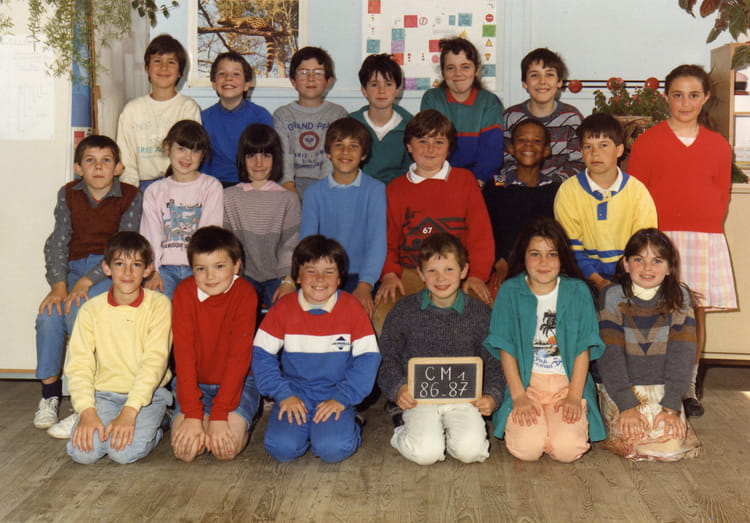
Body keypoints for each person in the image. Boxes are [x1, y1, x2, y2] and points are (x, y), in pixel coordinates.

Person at [628, 64, 736, 418]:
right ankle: (653, 381)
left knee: (693, 313)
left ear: (705, 98)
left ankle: (687, 385)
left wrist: (705, 226)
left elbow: (720, 195)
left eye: (693, 95)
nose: (685, 103)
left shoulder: (718, 145)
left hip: (702, 238)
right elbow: (636, 194)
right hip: (660, 239)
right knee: (656, 311)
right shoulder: (648, 141)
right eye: (677, 95)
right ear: (666, 98)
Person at [34, 135, 142, 435]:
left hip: (109, 271)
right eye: (90, 161)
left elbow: (123, 246)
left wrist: (85, 281)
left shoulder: (131, 195)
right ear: (78, 168)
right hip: (70, 269)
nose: (98, 167)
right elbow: (57, 242)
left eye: (106, 161)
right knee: (49, 316)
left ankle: (86, 402)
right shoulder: (69, 193)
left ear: (118, 167)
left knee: (80, 314)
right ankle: (50, 395)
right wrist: (59, 284)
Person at [484, 217, 606, 462]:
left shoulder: (577, 291)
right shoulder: (510, 291)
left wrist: (574, 396)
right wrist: (519, 396)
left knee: (567, 450)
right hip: (528, 385)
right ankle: (542, 430)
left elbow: (583, 347)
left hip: (567, 385)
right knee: (528, 450)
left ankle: (554, 430)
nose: (543, 263)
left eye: (552, 254)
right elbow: (506, 348)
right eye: (535, 254)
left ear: (562, 257)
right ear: (523, 256)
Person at [378, 233, 504, 465]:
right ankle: (402, 429)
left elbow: (495, 362)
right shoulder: (404, 311)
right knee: (426, 453)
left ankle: (445, 434)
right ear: (420, 274)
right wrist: (398, 388)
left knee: (471, 452)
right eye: (432, 271)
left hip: (465, 399)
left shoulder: (480, 314)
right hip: (418, 397)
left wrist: (492, 396)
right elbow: (387, 357)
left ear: (464, 270)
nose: (440, 278)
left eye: (449, 269)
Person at [252, 235, 381, 463]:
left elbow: (368, 359)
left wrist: (342, 398)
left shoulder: (352, 308)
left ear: (339, 278)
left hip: (336, 392)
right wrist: (284, 394)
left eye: (329, 272)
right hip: (295, 393)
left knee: (333, 449)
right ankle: (308, 427)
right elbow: (262, 356)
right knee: (282, 449)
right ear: (297, 276)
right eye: (311, 271)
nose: (320, 279)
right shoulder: (283, 308)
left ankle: (350, 421)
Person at [372, 109, 495, 335]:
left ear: (449, 147)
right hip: (410, 272)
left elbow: (481, 236)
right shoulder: (396, 188)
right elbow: (387, 239)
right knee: (382, 317)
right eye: (422, 141)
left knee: (482, 317)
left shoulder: (465, 181)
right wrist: (389, 273)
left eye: (439, 142)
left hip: (457, 273)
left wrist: (477, 275)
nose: (430, 149)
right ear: (409, 146)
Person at [65, 232, 172, 464]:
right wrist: (86, 411)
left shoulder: (159, 305)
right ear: (106, 268)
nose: (127, 272)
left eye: (136, 265)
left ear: (148, 269)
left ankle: (160, 423)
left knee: (122, 453)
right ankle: (110, 420)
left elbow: (155, 362)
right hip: (104, 394)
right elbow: (79, 364)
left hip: (147, 395)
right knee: (83, 453)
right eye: (120, 264)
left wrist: (130, 411)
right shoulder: (91, 310)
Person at [598, 228, 702, 461]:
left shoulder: (680, 297)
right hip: (622, 387)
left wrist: (671, 406)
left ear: (669, 267)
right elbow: (610, 355)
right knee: (635, 440)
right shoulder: (612, 296)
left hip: (664, 387)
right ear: (626, 264)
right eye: (638, 259)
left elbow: (682, 355)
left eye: (657, 260)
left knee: (670, 447)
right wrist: (626, 405)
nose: (647, 268)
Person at [171, 227, 260, 462]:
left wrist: (220, 415)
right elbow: (184, 355)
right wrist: (192, 414)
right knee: (188, 451)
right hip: (194, 383)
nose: (210, 276)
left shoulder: (245, 293)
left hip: (237, 383)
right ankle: (202, 419)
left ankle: (232, 419)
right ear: (192, 269)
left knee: (225, 450)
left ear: (236, 266)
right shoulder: (184, 292)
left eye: (219, 266)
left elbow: (239, 359)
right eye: (201, 268)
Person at [553, 113, 657, 291]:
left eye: (603, 145)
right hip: (583, 279)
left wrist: (621, 284)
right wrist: (598, 282)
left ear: (619, 150)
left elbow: (644, 248)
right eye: (588, 147)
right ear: (581, 152)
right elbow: (571, 250)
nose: (595, 153)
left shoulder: (637, 192)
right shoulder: (568, 192)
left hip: (630, 279)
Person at [300, 117, 386, 317]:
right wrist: (318, 277)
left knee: (359, 317)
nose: (345, 152)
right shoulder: (313, 193)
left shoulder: (375, 190)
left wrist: (365, 284)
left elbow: (377, 242)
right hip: (323, 274)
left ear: (364, 154)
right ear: (328, 152)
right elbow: (307, 245)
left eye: (353, 146)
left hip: (363, 276)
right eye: (339, 145)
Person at [140, 120, 223, 299]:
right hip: (164, 269)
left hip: (199, 267)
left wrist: (203, 270)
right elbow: (150, 236)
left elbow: (210, 234)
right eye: (181, 149)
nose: (187, 157)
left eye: (195, 151)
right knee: (156, 306)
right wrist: (153, 270)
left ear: (203, 155)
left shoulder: (211, 187)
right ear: (167, 147)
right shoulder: (154, 191)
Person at [223, 123, 301, 309]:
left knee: (286, 308)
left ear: (276, 159)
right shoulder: (228, 197)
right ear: (242, 159)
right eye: (251, 156)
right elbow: (226, 244)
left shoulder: (288, 199)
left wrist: (288, 281)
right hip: (241, 274)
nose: (259, 163)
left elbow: (291, 244)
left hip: (278, 275)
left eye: (266, 156)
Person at [483, 119, 559, 294]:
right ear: (511, 148)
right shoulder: (496, 185)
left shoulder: (555, 189)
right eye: (522, 140)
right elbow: (485, 229)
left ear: (546, 150)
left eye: (536, 141)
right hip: (502, 265)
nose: (528, 145)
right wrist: (499, 262)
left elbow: (557, 237)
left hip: (543, 265)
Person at [117, 34, 201, 189]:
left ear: (180, 72)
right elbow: (126, 158)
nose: (164, 67)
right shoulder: (132, 109)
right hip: (139, 185)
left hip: (177, 183)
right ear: (147, 68)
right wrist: (130, 191)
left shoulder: (188, 107)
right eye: (157, 61)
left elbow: (191, 153)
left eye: (171, 62)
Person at [419, 37, 504, 187]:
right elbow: (429, 148)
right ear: (443, 72)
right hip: (440, 177)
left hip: (481, 180)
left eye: (465, 67)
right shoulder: (432, 99)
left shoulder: (489, 102)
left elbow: (492, 152)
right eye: (451, 68)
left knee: (501, 187)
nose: (458, 74)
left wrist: (477, 183)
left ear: (476, 70)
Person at [500, 48, 583, 184]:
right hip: (518, 185)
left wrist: (549, 183)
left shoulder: (571, 118)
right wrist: (523, 182)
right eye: (534, 75)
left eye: (549, 74)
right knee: (493, 186)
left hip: (558, 188)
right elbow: (504, 160)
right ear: (524, 83)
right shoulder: (510, 117)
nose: (542, 81)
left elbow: (578, 163)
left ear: (559, 82)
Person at [273, 47, 348, 197]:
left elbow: (335, 156)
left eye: (318, 73)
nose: (311, 78)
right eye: (303, 72)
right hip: (290, 184)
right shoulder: (282, 115)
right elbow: (283, 155)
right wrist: (289, 187)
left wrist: (322, 191)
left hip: (328, 182)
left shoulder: (338, 114)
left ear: (328, 81)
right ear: (293, 81)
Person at [201, 51, 274, 187]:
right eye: (222, 74)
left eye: (236, 74)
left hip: (251, 184)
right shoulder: (203, 118)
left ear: (247, 84)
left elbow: (266, 159)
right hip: (213, 185)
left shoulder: (260, 116)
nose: (228, 78)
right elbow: (200, 162)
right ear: (214, 83)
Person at [350, 53, 413, 184]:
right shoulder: (350, 124)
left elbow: (411, 171)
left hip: (396, 192)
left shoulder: (411, 127)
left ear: (398, 89)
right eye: (374, 84)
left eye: (388, 84)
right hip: (359, 191)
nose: (382, 90)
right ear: (364, 90)